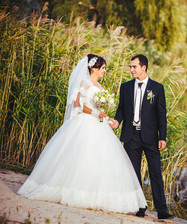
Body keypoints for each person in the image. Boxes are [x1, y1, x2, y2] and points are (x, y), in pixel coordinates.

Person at [17, 54, 147, 214]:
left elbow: (101, 110)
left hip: (100, 125)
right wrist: (94, 112)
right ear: (94, 68)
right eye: (103, 68)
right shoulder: (84, 84)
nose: (104, 71)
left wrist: (107, 118)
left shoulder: (100, 86)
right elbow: (77, 105)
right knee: (80, 156)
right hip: (84, 123)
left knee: (100, 158)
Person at [110, 54, 173, 220]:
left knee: (156, 173)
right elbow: (121, 109)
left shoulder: (157, 88)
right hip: (131, 136)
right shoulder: (125, 87)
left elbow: (161, 115)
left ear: (143, 67)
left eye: (134, 67)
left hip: (151, 137)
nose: (131, 70)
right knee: (133, 173)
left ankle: (162, 211)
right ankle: (139, 207)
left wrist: (163, 137)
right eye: (130, 67)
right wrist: (117, 121)